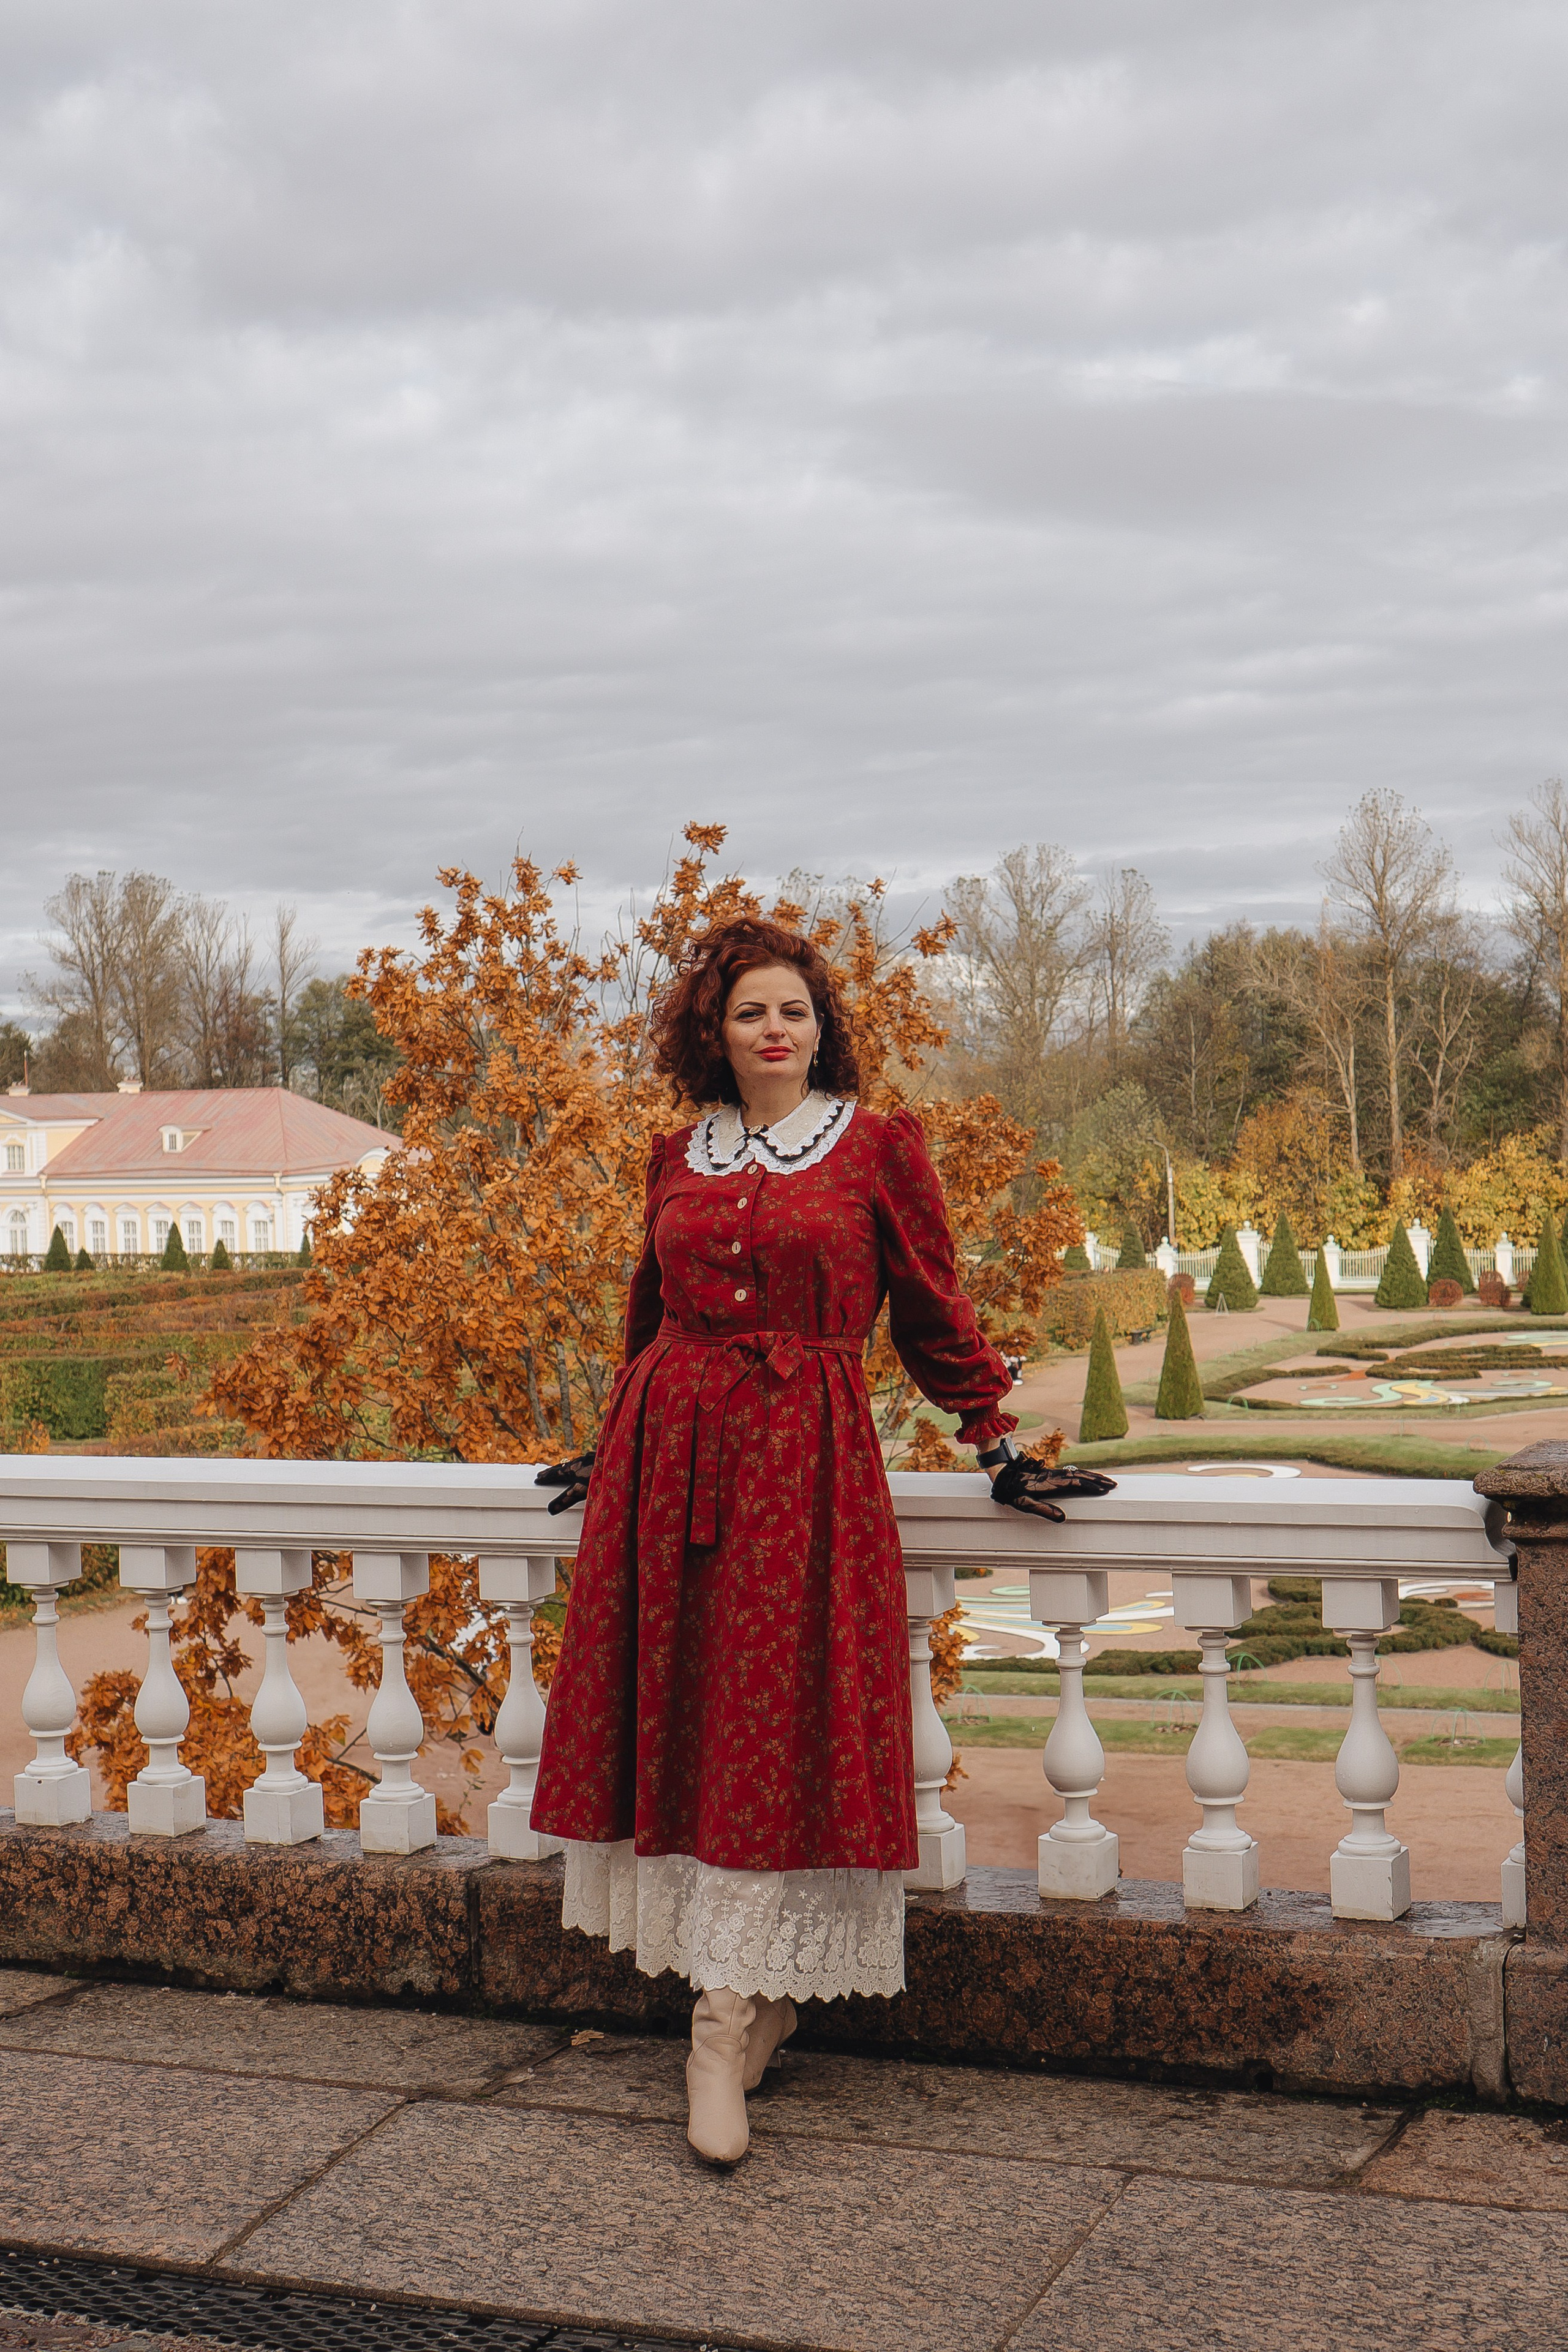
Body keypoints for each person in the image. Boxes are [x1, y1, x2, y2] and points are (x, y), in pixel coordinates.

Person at [531, 916, 1113, 2165]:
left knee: (772, 1720)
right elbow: (648, 1307)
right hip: (667, 1456)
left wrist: (993, 1439)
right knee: (690, 1718)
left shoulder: (876, 1148)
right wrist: (610, 1438)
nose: (773, 1029)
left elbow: (930, 1304)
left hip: (803, 1464)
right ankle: (740, 2008)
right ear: (715, 1031)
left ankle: (724, 2023)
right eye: (749, 1012)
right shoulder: (669, 1154)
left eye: (791, 1009)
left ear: (819, 1025)